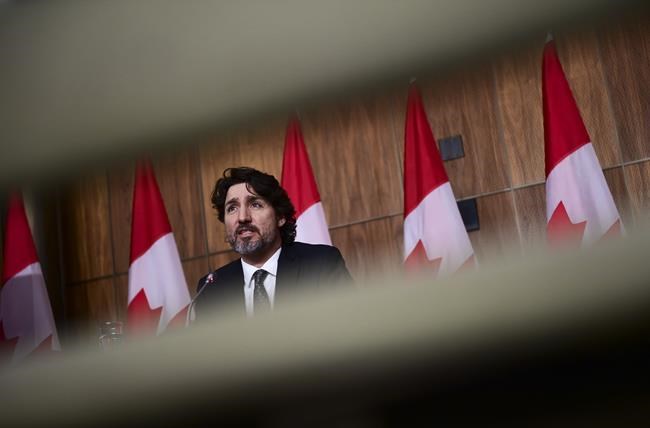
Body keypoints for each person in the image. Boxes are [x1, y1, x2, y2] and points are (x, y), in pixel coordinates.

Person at [194, 167, 352, 318]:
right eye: (232, 208)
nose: (242, 217)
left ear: (280, 217)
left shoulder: (321, 264)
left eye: (255, 204)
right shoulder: (210, 289)